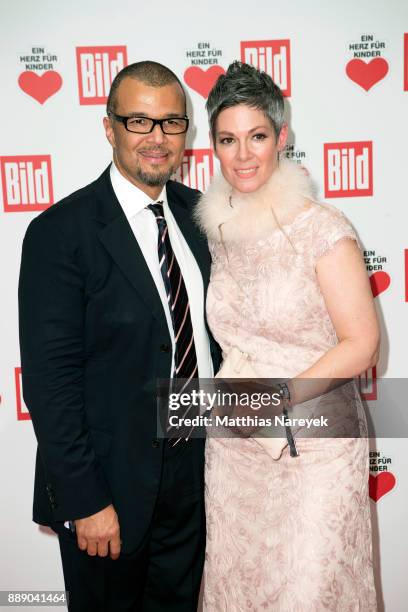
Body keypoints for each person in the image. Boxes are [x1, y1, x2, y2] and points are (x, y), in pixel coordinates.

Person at [18, 60, 220, 612]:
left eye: (171, 123)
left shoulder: (201, 215)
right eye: (139, 122)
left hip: (194, 474)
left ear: (186, 131)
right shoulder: (60, 234)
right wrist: (86, 502)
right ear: (109, 128)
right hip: (108, 487)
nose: (157, 139)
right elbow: (49, 384)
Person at [195, 62, 379, 611]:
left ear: (282, 137)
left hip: (315, 448)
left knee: (310, 593)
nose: (244, 155)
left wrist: (276, 397)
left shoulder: (320, 227)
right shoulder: (219, 229)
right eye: (229, 140)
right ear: (213, 145)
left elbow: (362, 343)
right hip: (235, 454)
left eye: (257, 136)